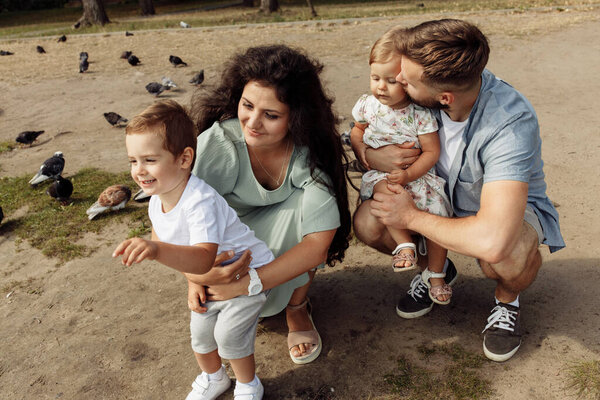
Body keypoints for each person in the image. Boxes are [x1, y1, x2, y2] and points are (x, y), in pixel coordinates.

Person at [355, 19, 565, 362]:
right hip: (432, 194)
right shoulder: (423, 92)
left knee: (503, 254)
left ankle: (507, 300)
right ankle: (434, 269)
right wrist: (370, 153)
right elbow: (366, 129)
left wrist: (410, 216)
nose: (399, 81)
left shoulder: (509, 124)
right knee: (368, 221)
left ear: (444, 98)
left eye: (406, 79)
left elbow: (493, 238)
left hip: (495, 210)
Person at [186, 45, 352, 366]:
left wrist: (252, 282)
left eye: (271, 115)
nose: (252, 122)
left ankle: (297, 307)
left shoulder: (309, 152)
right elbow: (178, 217)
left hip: (281, 237)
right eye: (247, 105)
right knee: (217, 324)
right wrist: (194, 276)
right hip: (227, 243)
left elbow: (318, 245)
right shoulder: (219, 142)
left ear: (297, 118)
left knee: (309, 209)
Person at [112, 100, 274, 400]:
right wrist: (192, 280)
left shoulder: (200, 202)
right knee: (200, 335)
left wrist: (156, 250)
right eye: (133, 161)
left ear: (185, 158)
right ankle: (214, 377)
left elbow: (202, 256)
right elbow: (166, 239)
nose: (139, 171)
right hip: (209, 278)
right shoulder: (157, 199)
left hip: (246, 273)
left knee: (228, 336)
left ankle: (249, 384)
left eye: (149, 159)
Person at [350, 28, 453, 304]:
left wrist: (409, 173)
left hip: (418, 177)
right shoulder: (368, 106)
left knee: (438, 217)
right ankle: (405, 245)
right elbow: (356, 132)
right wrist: (363, 151)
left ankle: (437, 274)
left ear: (406, 81)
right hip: (385, 177)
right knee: (386, 191)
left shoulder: (419, 114)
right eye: (375, 78)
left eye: (391, 81)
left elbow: (431, 151)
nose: (381, 87)